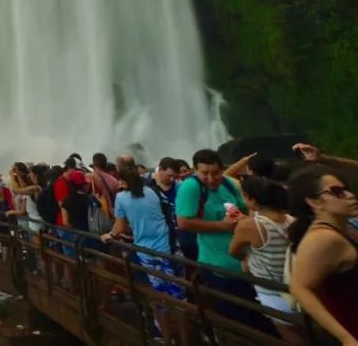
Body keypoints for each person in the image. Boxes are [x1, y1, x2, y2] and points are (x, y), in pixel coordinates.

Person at [175, 148, 272, 334]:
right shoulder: (191, 187)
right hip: (218, 266)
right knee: (238, 320)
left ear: (222, 169)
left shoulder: (228, 184)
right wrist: (222, 226)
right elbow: (184, 222)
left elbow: (247, 207)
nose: (211, 179)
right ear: (195, 170)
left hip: (248, 264)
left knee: (257, 316)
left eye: (216, 173)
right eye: (205, 173)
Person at [104, 168, 187, 346]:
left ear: (124, 183)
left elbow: (119, 228)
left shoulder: (121, 198)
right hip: (170, 247)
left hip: (148, 254)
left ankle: (167, 339)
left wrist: (108, 235)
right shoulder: (152, 192)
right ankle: (186, 339)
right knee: (179, 298)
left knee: (159, 299)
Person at [286, 166, 358, 345]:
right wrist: (346, 338)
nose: (349, 195)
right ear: (314, 202)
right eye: (337, 192)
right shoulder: (323, 239)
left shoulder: (344, 228)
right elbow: (299, 288)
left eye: (346, 189)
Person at [228, 176, 302, 344]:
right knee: (306, 333)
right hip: (298, 289)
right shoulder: (292, 220)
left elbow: (233, 251)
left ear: (251, 199)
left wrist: (246, 258)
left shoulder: (249, 226)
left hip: (273, 294)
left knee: (293, 338)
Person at [88, 152, 120, 221]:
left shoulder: (88, 177)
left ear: (94, 164)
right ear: (105, 164)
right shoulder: (114, 181)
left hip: (96, 216)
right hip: (113, 214)